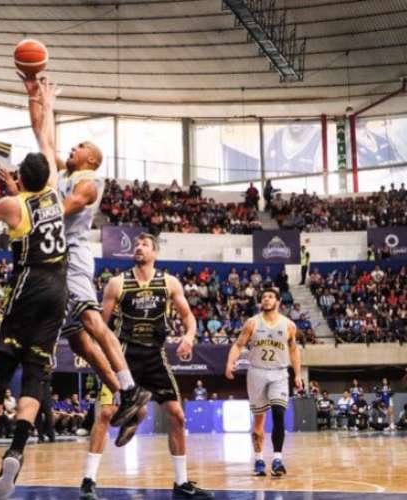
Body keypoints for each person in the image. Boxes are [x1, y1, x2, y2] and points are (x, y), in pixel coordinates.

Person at [21, 73, 150, 433]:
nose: (72, 149)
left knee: (92, 322)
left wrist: (31, 216)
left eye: (79, 146)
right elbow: (43, 137)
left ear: (91, 159)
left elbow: (60, 210)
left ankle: (129, 387)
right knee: (77, 337)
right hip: (54, 259)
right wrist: (38, 97)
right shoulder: (65, 174)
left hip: (72, 258)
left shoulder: (88, 183)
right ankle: (127, 399)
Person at [0, 126, 69, 497]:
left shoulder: (12, 204)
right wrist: (45, 99)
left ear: (20, 179)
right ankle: (17, 451)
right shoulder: (53, 193)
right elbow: (48, 148)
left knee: (4, 368)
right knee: (37, 372)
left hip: (29, 285)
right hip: (59, 291)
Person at [80, 234, 213, 500]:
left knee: (177, 415)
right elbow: (101, 325)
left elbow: (188, 317)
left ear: (155, 252)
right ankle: (88, 481)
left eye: (144, 245)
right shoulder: (117, 283)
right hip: (124, 354)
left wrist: (188, 337)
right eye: (137, 244)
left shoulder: (169, 282)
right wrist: (98, 353)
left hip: (154, 355)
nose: (139, 247)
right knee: (105, 413)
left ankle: (182, 482)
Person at [226, 287, 302, 477]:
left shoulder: (289, 325)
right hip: (257, 372)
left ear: (278, 302)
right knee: (259, 420)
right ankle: (259, 459)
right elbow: (238, 345)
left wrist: (298, 374)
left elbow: (294, 351)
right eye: (263, 297)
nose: (266, 299)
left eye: (270, 297)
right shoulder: (252, 323)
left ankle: (277, 459)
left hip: (279, 373)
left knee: (278, 413)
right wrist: (230, 363)